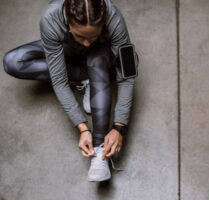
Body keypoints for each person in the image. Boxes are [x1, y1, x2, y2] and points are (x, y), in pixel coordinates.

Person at [2, 0, 137, 182]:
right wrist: (82, 127)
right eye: (81, 36)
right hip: (67, 49)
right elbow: (59, 80)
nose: (87, 43)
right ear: (68, 21)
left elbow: (127, 76)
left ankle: (99, 148)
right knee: (14, 61)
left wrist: (119, 127)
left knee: (100, 57)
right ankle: (87, 77)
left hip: (102, 56)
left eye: (92, 36)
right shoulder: (51, 17)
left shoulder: (113, 17)